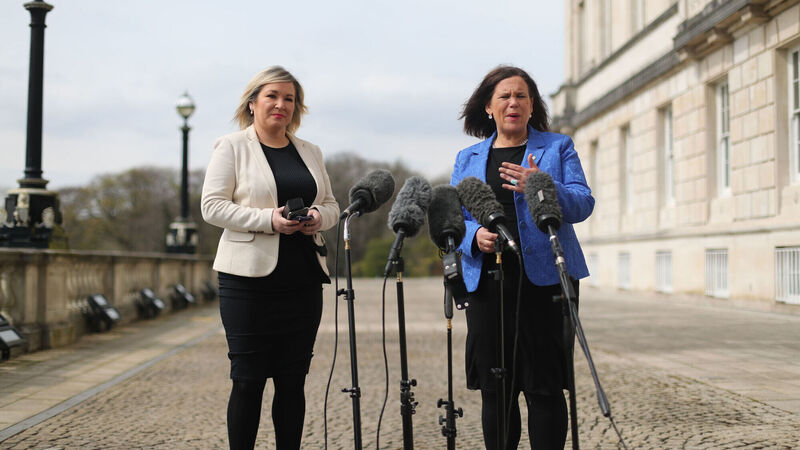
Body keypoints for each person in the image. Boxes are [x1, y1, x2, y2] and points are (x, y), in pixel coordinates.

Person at [450, 65, 594, 449]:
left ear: (532, 106)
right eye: (505, 96)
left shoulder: (558, 147)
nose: (513, 102)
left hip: (546, 280)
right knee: (496, 388)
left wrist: (542, 185)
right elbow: (451, 218)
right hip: (488, 282)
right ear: (488, 107)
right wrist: (473, 236)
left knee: (545, 386)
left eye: (521, 96)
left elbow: (583, 203)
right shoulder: (467, 158)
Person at [201, 66, 339, 450]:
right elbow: (212, 206)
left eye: (289, 98)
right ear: (252, 102)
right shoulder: (231, 146)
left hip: (303, 279)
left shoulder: (310, 151)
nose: (281, 104)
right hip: (248, 282)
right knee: (248, 381)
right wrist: (269, 220)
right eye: (272, 96)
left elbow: (331, 204)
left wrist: (318, 217)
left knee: (292, 381)